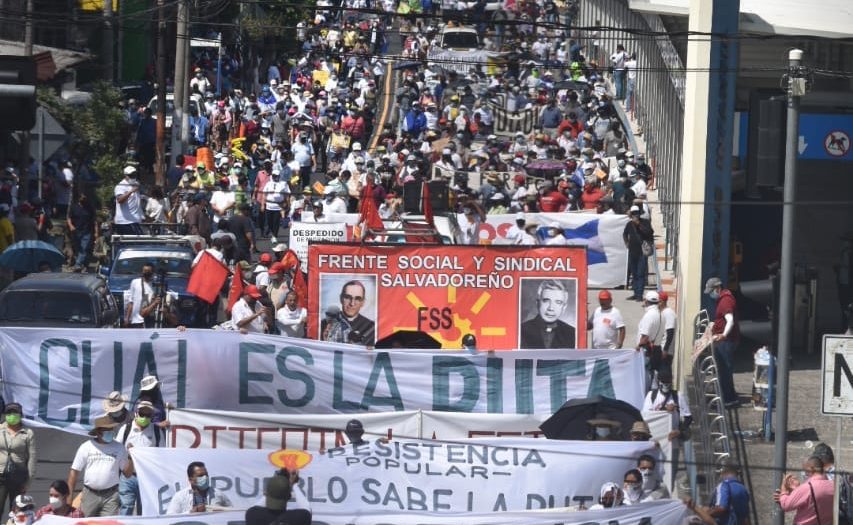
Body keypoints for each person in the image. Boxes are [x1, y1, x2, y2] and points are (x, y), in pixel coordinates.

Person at [67, 415, 131, 517]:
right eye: (106, 430)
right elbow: (74, 472)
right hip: (90, 494)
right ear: (98, 432)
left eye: (111, 429)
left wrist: (130, 456)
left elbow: (127, 473)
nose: (110, 432)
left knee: (108, 523)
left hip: (111, 496)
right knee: (86, 522)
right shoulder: (86, 447)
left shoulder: (119, 448)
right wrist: (69, 497)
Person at [116, 400, 162, 515]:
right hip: (128, 477)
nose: (145, 417)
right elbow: (117, 451)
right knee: (126, 508)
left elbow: (162, 455)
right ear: (136, 413)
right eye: (142, 414)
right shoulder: (125, 429)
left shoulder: (157, 431)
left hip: (147, 477)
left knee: (145, 510)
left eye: (148, 415)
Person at [705, 277, 740, 407]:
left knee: (724, 370)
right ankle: (729, 396)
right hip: (725, 340)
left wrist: (724, 335)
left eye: (711, 291)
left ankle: (728, 399)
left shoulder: (725, 301)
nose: (711, 294)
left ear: (717, 288)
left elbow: (730, 320)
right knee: (724, 370)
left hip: (726, 341)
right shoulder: (724, 299)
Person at [775, 455, 834, 525]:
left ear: (811, 469)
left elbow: (786, 505)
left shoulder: (808, 487)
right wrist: (797, 489)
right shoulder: (832, 485)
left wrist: (784, 491)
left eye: (805, 468)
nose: (804, 472)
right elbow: (814, 498)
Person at [0, 403, 36, 516]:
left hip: (18, 477)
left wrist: (28, 482)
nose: (11, 415)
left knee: (16, 511)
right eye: (9, 412)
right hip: (1, 475)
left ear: (20, 415)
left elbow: (32, 458)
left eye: (14, 412)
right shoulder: (0, 429)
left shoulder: (28, 433)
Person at [520, 280, 576, 349]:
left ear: (564, 307)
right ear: (538, 303)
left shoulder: (572, 333)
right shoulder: (521, 330)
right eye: (546, 301)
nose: (551, 308)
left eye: (558, 302)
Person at [244, 469, 311, 525]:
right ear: (289, 497)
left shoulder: (252, 515)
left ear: (265, 493)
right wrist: (293, 484)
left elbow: (255, 507)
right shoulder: (300, 517)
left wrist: (275, 483)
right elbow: (306, 507)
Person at [166, 461, 232, 514]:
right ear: (191, 480)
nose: (205, 478)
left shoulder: (218, 494)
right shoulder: (180, 496)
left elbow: (233, 513)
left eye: (206, 475)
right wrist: (191, 512)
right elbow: (170, 517)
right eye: (200, 476)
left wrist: (221, 512)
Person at [703, 459, 750, 525]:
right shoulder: (743, 489)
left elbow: (721, 508)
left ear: (722, 471)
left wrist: (705, 513)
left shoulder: (724, 486)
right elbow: (745, 519)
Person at [623, 205, 654, 301]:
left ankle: (639, 295)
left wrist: (639, 225)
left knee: (640, 273)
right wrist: (626, 243)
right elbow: (624, 234)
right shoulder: (629, 224)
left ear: (639, 214)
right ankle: (636, 293)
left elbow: (649, 233)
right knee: (634, 273)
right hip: (632, 252)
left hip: (642, 252)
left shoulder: (645, 222)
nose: (635, 215)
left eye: (636, 213)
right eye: (633, 214)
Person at [636, 290, 664, 388]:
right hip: (654, 348)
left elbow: (645, 336)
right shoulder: (658, 313)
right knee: (652, 375)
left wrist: (638, 347)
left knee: (646, 377)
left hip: (646, 350)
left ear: (646, 301)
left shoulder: (649, 315)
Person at [124, 262, 158, 328]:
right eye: (144, 271)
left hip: (149, 319)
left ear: (152, 272)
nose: (145, 273)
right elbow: (131, 302)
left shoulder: (155, 285)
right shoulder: (135, 282)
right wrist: (127, 318)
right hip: (136, 320)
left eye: (148, 271)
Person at [113, 166, 143, 235]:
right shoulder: (121, 186)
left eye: (134, 175)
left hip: (135, 220)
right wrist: (131, 191)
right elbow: (120, 200)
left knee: (140, 240)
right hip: (125, 222)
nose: (133, 177)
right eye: (131, 175)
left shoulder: (136, 184)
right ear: (126, 175)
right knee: (130, 241)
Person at [658, 291, 677, 375]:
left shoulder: (668, 313)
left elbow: (670, 332)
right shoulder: (662, 312)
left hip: (666, 350)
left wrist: (665, 349)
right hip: (661, 348)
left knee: (664, 373)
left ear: (661, 301)